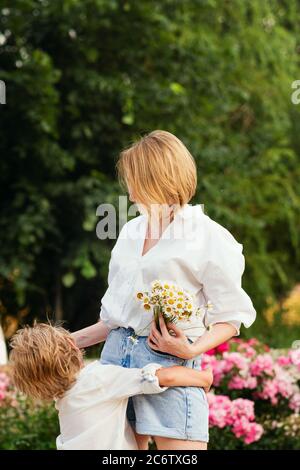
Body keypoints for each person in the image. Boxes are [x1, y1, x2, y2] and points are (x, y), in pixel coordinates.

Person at [72, 130, 256, 450]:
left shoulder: (208, 236)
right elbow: (115, 319)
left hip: (171, 365)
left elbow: (232, 316)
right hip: (115, 361)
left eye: (134, 183)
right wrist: (69, 341)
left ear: (157, 179)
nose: (129, 195)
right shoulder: (130, 231)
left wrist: (191, 350)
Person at [10, 323, 213, 450]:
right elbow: (163, 377)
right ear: (73, 346)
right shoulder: (98, 379)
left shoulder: (62, 398)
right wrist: (204, 378)